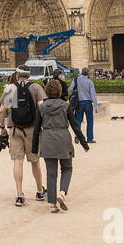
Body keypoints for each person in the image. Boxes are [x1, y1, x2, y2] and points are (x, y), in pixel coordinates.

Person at [32, 77, 89, 213]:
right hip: (63, 138)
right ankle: (62, 193)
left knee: (51, 173)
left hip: (47, 139)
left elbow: (36, 130)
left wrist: (34, 148)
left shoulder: (41, 108)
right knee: (67, 169)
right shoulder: (65, 106)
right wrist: (84, 143)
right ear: (60, 91)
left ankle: (52, 204)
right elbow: (75, 126)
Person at [0, 69, 46, 207]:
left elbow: (2, 110)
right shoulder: (36, 87)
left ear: (18, 75)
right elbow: (41, 107)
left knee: (18, 161)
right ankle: (39, 192)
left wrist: (2, 128)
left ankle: (19, 195)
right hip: (32, 128)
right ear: (29, 75)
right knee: (35, 161)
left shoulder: (10, 87)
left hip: (15, 128)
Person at [68, 67, 98, 144]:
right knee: (90, 120)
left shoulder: (76, 80)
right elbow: (93, 95)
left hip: (79, 102)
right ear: (88, 73)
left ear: (81, 72)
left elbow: (70, 89)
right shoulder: (90, 82)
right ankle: (89, 138)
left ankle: (77, 135)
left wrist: (76, 90)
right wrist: (96, 106)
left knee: (78, 120)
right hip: (88, 102)